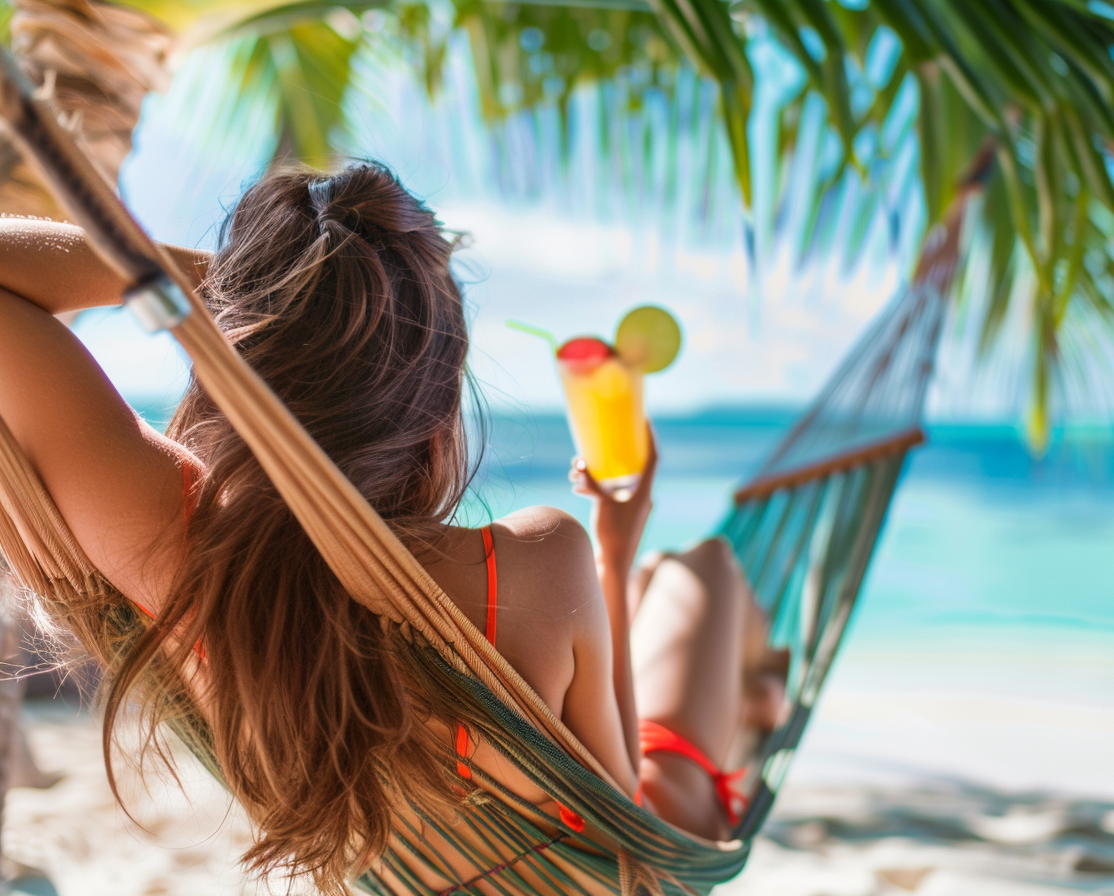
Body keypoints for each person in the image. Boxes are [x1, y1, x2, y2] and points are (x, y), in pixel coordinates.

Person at [0, 163, 785, 894]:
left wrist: (233, 291)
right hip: (640, 845)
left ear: (240, 356)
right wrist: (613, 546)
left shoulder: (172, 548)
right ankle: (748, 687)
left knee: (662, 595)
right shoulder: (538, 560)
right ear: (434, 394)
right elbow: (623, 818)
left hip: (423, 862)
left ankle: (740, 679)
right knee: (702, 570)